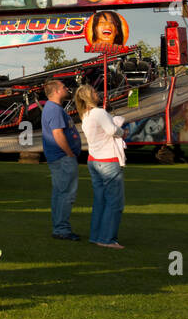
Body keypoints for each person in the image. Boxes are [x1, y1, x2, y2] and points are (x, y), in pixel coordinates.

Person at [75, 84, 126, 249]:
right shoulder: (99, 112)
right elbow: (111, 130)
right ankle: (107, 238)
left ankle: (96, 235)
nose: (97, 94)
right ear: (89, 96)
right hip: (108, 159)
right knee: (114, 201)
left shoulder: (86, 115)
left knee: (100, 200)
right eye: (94, 92)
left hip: (94, 159)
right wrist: (122, 131)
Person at [41, 79, 82, 240]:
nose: (67, 89)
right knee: (66, 194)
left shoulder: (54, 108)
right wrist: (69, 153)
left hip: (60, 157)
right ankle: (62, 229)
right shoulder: (54, 109)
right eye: (64, 87)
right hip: (62, 157)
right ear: (57, 91)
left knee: (60, 193)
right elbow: (58, 133)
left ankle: (60, 227)